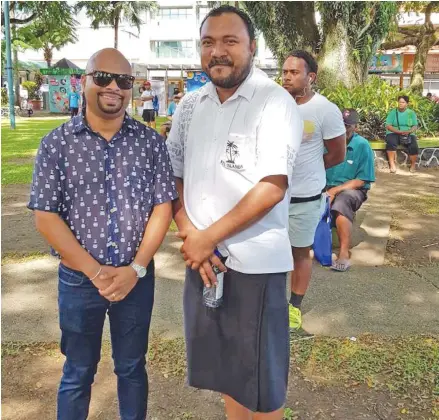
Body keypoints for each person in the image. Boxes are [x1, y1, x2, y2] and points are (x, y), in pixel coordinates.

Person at [167, 6, 302, 420]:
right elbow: (174, 175)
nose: (218, 52)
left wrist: (208, 238)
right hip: (202, 262)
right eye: (209, 42)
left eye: (230, 41)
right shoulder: (191, 105)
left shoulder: (275, 103)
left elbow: (271, 188)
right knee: (227, 375)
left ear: (253, 48)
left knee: (261, 384)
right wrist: (192, 234)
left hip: (253, 267)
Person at [28, 48, 177, 420]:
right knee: (77, 372)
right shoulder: (57, 144)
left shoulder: (150, 144)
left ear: (132, 89)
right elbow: (46, 217)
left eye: (124, 81)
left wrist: (137, 268)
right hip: (79, 281)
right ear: (85, 81)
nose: (114, 87)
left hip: (137, 279)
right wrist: (95, 272)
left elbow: (163, 207)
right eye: (103, 77)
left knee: (131, 367)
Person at [282, 50, 346, 331]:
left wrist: (310, 170)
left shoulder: (325, 109)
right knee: (266, 251)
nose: (286, 77)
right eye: (284, 71)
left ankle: (294, 307)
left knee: (299, 253)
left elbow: (337, 154)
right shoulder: (275, 104)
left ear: (311, 77)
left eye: (294, 72)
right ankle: (268, 303)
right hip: (271, 197)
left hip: (305, 198)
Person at [326, 109, 375, 272]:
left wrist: (335, 191)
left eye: (348, 126)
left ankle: (344, 253)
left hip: (352, 188)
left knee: (342, 202)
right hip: (327, 186)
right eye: (340, 125)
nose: (343, 129)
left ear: (355, 127)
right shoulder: (328, 142)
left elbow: (362, 180)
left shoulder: (362, 145)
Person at [385, 95, 419, 173]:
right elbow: (388, 125)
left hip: (408, 132)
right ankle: (392, 164)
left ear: (407, 103)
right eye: (399, 102)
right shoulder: (393, 112)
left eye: (403, 102)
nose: (401, 104)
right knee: (391, 142)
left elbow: (415, 125)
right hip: (394, 132)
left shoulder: (411, 113)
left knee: (413, 145)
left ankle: (413, 165)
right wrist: (398, 131)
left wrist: (409, 131)